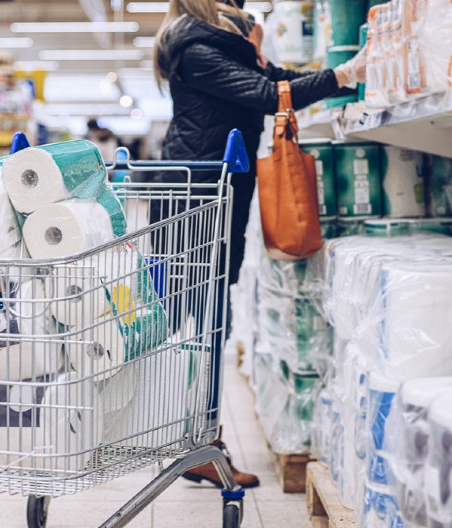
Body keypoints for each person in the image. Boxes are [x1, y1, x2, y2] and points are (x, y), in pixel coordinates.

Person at [152, 0, 366, 489]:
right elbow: (269, 94)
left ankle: (198, 440)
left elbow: (278, 78)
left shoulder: (218, 44)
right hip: (196, 201)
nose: (242, 7)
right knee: (198, 324)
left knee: (209, 323)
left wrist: (342, 75)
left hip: (215, 195)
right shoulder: (196, 47)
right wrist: (343, 74)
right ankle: (188, 439)